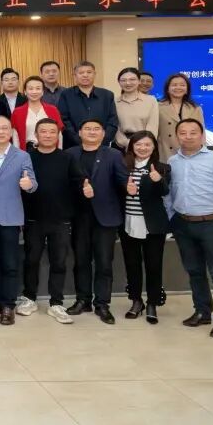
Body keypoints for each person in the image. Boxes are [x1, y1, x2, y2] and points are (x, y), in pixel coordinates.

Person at [169, 118, 213, 339]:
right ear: (177, 136)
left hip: (212, 223)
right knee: (194, 271)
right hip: (183, 224)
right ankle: (202, 311)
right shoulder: (172, 161)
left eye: (193, 132)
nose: (188, 136)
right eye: (183, 132)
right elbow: (170, 193)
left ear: (202, 135)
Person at [19, 118, 82, 324]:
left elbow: (78, 182)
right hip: (33, 218)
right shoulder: (27, 157)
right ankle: (29, 298)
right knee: (31, 260)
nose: (47, 135)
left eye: (52, 132)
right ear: (36, 135)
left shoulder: (68, 158)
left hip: (60, 219)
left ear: (58, 135)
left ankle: (56, 302)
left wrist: (85, 187)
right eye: (43, 131)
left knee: (59, 262)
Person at [66, 119, 128, 324]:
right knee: (81, 261)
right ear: (79, 132)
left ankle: (102, 304)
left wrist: (129, 186)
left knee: (104, 263)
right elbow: (65, 183)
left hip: (106, 217)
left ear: (103, 133)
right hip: (79, 216)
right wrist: (80, 189)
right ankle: (83, 300)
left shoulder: (113, 154)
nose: (92, 132)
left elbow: (122, 181)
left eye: (96, 129)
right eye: (87, 129)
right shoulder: (70, 154)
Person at [0, 115, 37, 325]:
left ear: (11, 131)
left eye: (5, 128)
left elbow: (32, 183)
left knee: (10, 263)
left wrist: (28, 185)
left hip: (10, 217)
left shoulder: (22, 156)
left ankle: (9, 305)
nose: (1, 132)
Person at [120, 130, 171, 324]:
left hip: (153, 225)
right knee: (132, 265)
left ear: (154, 147)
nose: (143, 148)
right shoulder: (123, 166)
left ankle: (152, 303)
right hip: (128, 223)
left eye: (147, 144)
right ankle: (136, 301)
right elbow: (115, 189)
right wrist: (125, 189)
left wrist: (158, 181)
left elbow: (165, 192)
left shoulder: (162, 167)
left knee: (154, 265)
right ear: (132, 146)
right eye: (138, 144)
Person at [58, 60, 119, 148]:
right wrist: (79, 140)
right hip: (74, 145)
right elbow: (64, 120)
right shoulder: (66, 94)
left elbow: (113, 121)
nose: (85, 75)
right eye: (81, 73)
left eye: (89, 72)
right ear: (75, 76)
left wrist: (103, 140)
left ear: (94, 74)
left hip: (102, 145)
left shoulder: (107, 95)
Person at [157, 73, 204, 161]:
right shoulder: (157, 106)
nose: (178, 87)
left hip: (191, 154)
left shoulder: (195, 108)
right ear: (167, 89)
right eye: (174, 85)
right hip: (165, 153)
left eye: (182, 85)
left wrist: (203, 154)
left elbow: (202, 133)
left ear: (187, 90)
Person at [11, 76, 63, 150]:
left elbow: (59, 134)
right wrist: (18, 154)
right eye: (30, 88)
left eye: (38, 88)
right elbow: (15, 136)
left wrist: (59, 151)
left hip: (50, 150)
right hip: (28, 151)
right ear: (25, 91)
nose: (34, 92)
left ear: (42, 91)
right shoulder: (17, 112)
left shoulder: (53, 110)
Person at [114, 67, 159, 151]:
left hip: (145, 146)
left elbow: (153, 126)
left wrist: (143, 144)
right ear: (119, 82)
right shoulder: (114, 102)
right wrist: (127, 143)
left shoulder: (151, 100)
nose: (128, 83)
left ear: (139, 81)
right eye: (123, 80)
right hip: (121, 146)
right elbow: (115, 127)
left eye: (132, 79)